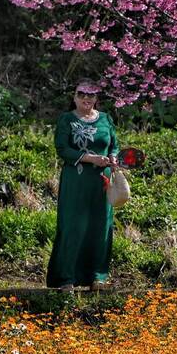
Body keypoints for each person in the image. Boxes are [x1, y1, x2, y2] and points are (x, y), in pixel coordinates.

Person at [47, 79, 120, 291]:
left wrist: (113, 158)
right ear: (74, 97)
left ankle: (97, 277)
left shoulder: (106, 119)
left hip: (102, 182)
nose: (86, 98)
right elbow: (62, 149)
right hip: (76, 181)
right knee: (73, 226)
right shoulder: (67, 120)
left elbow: (114, 145)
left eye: (91, 94)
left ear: (97, 98)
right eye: (81, 94)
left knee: (100, 227)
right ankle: (66, 278)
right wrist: (89, 158)